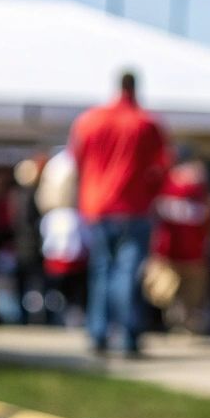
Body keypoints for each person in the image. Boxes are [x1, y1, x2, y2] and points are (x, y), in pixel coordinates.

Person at [68, 70, 168, 357]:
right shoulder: (146, 123)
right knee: (126, 272)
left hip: (98, 206)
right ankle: (129, 334)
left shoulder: (90, 120)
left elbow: (77, 161)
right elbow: (161, 167)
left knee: (102, 270)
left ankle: (98, 333)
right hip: (134, 208)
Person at [151, 153, 210, 333]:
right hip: (171, 252)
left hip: (192, 252)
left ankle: (182, 323)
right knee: (163, 292)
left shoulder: (200, 189)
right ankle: (173, 321)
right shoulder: (168, 183)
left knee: (190, 295)